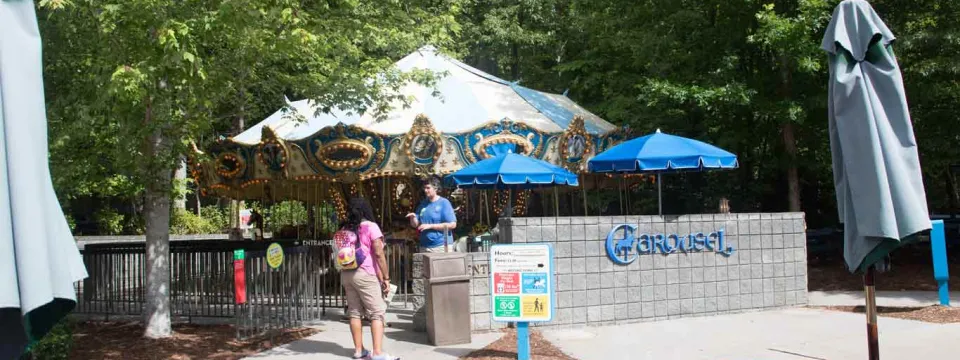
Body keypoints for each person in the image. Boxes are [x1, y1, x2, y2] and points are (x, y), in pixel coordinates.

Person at [339, 198, 397, 360]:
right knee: (377, 313)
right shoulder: (371, 227)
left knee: (355, 312)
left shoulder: (345, 228)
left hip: (347, 273)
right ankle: (377, 353)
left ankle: (359, 350)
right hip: (365, 274)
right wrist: (385, 277)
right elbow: (378, 254)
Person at [406, 176, 457, 253]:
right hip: (424, 246)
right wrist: (413, 218)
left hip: (441, 246)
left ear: (435, 188)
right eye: (424, 188)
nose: (425, 190)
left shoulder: (444, 203)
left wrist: (430, 226)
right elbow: (415, 225)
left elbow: (452, 225)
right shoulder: (423, 204)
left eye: (428, 188)